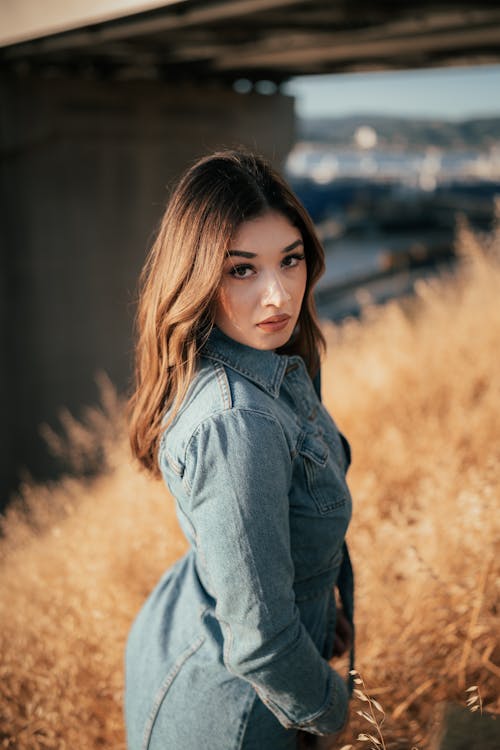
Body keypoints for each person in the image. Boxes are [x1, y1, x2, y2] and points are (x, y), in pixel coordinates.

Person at [124, 150, 355, 750]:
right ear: (197, 274)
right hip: (232, 715)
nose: (278, 296)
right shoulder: (235, 423)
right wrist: (333, 712)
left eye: (291, 260)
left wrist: (324, 615)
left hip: (200, 641)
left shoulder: (272, 364)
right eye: (242, 270)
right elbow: (260, 640)